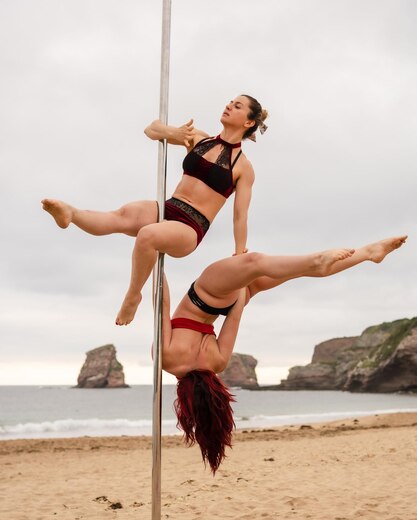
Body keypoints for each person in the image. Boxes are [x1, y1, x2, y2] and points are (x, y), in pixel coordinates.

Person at [161, 236, 407, 474]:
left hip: (230, 302)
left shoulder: (217, 364)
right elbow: (162, 304)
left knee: (293, 272)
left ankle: (367, 253)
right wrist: (156, 261)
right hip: (205, 294)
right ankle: (320, 258)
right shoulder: (167, 359)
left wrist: (240, 288)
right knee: (255, 261)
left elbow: (234, 317)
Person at [41, 95, 268, 325]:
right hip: (169, 206)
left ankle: (133, 295)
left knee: (147, 235)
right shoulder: (201, 138)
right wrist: (174, 134)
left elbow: (240, 215)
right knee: (121, 215)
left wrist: (240, 255)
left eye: (237, 106)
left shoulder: (243, 167)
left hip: (191, 226)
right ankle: (71, 214)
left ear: (248, 123)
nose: (229, 105)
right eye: (230, 102)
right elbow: (151, 129)